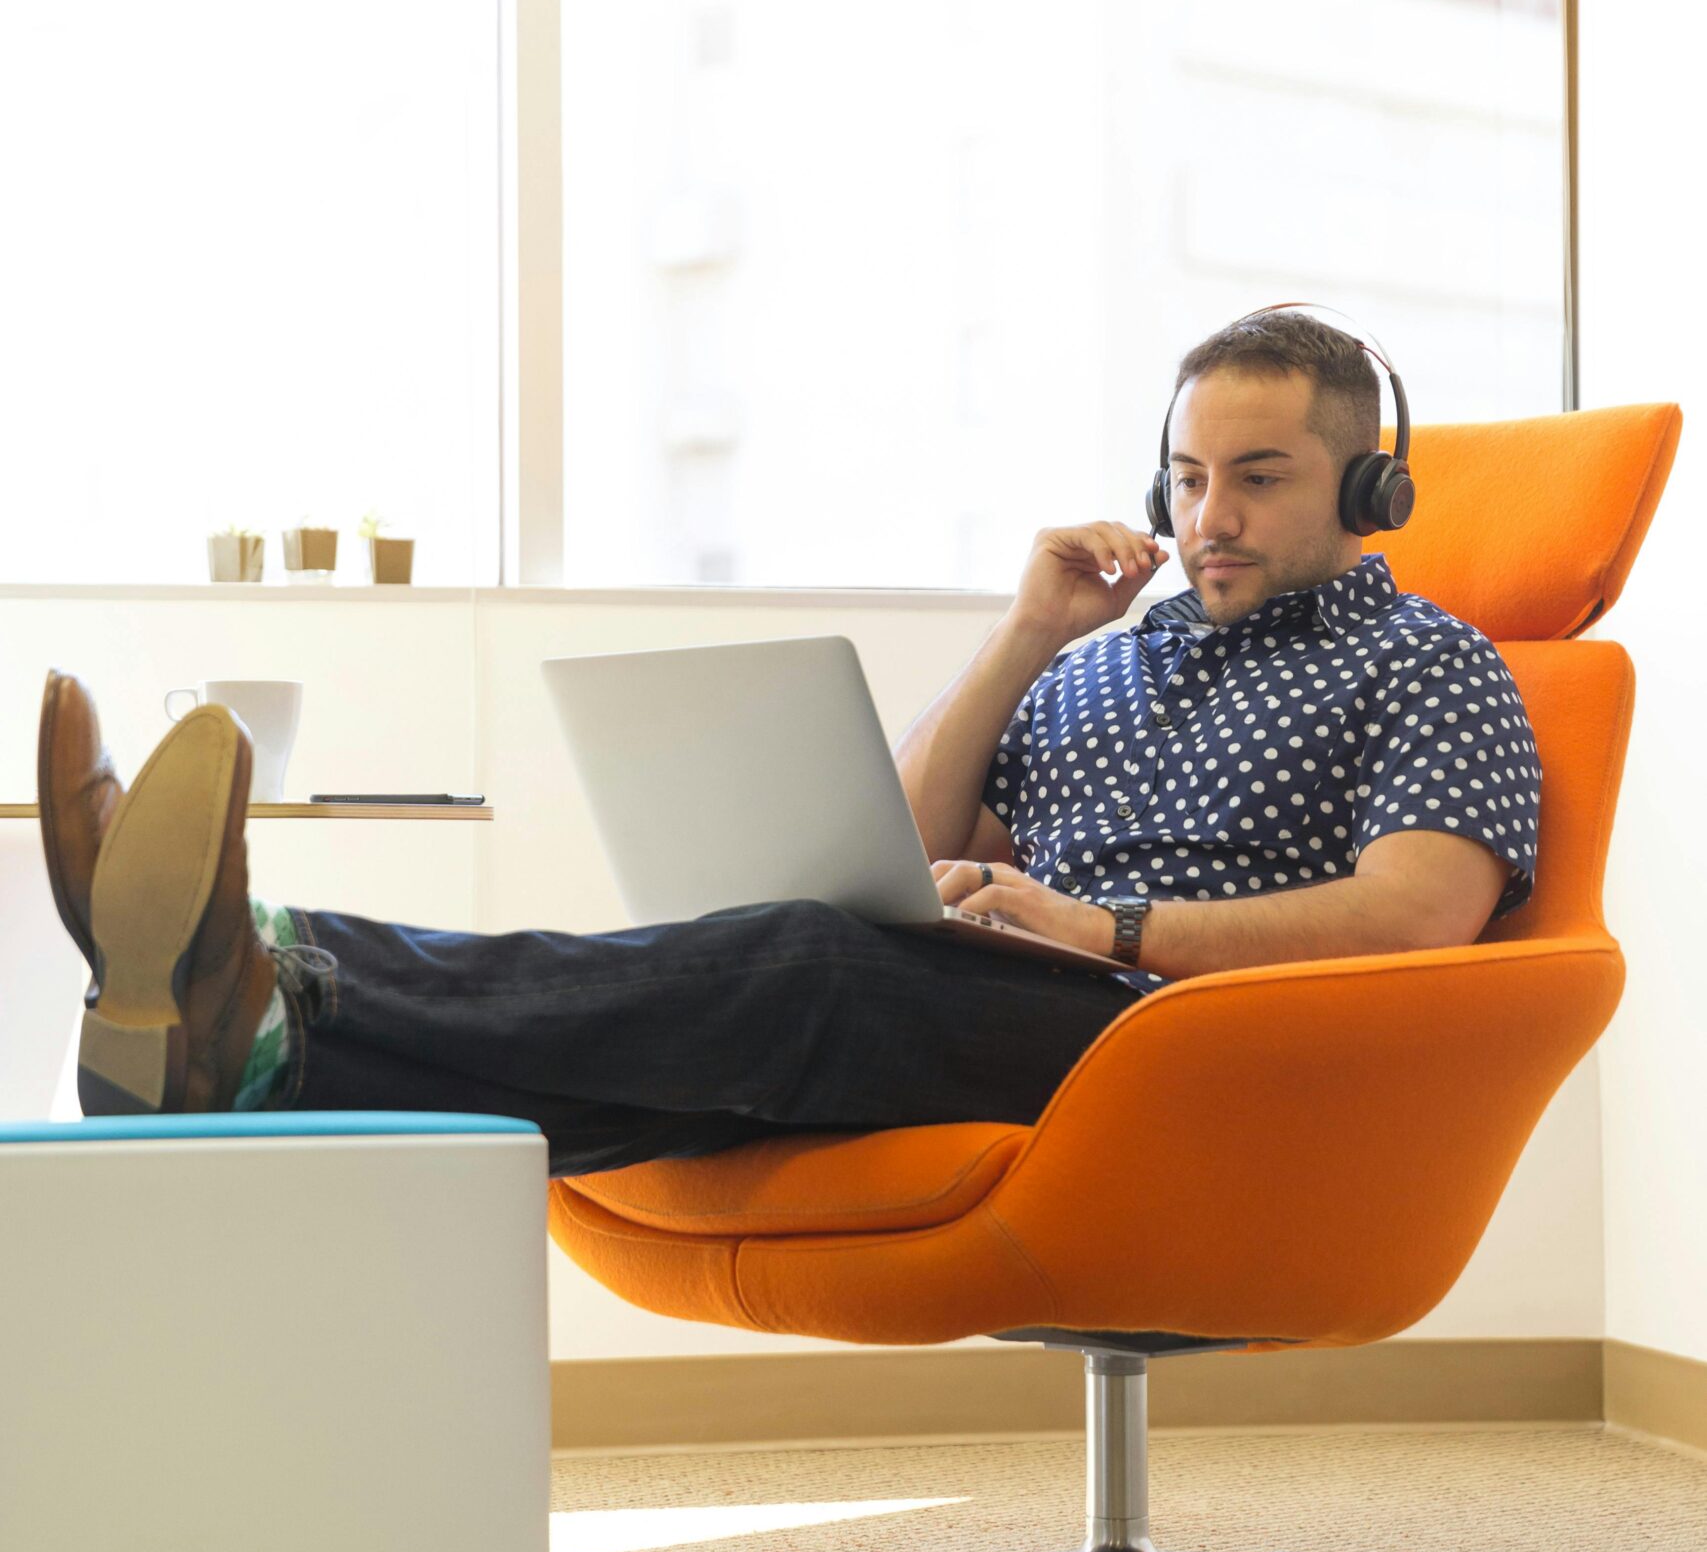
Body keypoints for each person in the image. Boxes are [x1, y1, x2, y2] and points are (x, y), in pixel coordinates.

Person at [39, 310, 1539, 1175]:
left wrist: (1104, 924)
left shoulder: (1428, 661)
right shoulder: (1105, 660)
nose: (1208, 518)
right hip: (1018, 1007)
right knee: (677, 1059)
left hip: (1186, 1050)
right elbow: (881, 849)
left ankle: (282, 964)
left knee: (802, 970)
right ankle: (243, 1056)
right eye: (1189, 478)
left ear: (1369, 492)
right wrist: (1026, 638)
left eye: (1259, 479)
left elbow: (1423, 914)